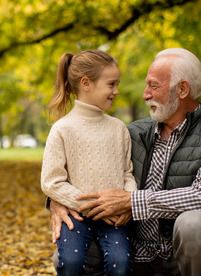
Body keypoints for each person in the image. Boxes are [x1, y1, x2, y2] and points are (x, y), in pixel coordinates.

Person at [49, 48, 201, 276]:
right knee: (65, 254)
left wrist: (133, 201)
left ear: (182, 89)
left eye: (154, 85)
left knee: (192, 225)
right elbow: (89, 167)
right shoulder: (132, 132)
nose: (145, 94)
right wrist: (56, 200)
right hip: (135, 252)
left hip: (183, 258)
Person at [41, 50, 138, 276]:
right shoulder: (62, 129)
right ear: (86, 83)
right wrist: (96, 207)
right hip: (76, 215)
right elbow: (51, 182)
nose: (116, 91)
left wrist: (129, 202)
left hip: (115, 217)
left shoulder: (118, 128)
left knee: (120, 264)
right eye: (111, 84)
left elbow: (127, 173)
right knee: (71, 262)